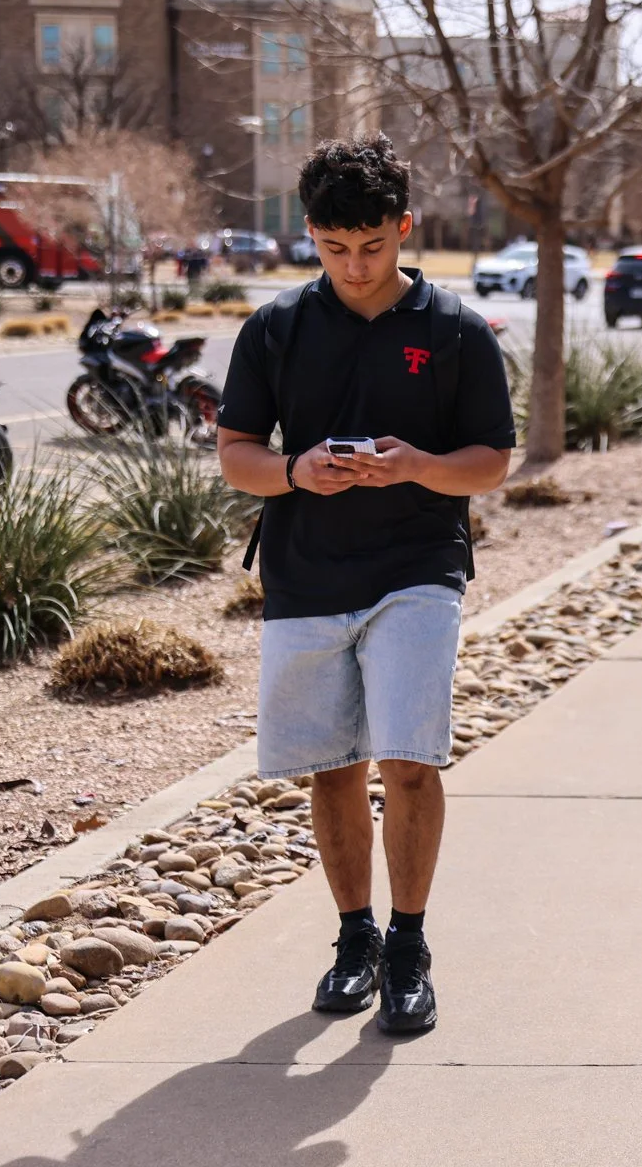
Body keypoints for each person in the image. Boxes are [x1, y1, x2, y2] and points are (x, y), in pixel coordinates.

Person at [216, 135, 516, 1036]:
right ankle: (356, 942)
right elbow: (238, 457)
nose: (354, 266)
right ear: (311, 232)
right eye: (335, 247)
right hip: (305, 574)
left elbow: (492, 462)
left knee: (410, 759)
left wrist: (420, 465)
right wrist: (297, 472)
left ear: (404, 228)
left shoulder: (454, 329)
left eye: (374, 246)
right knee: (332, 767)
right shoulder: (275, 327)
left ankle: (410, 947)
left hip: (415, 571)